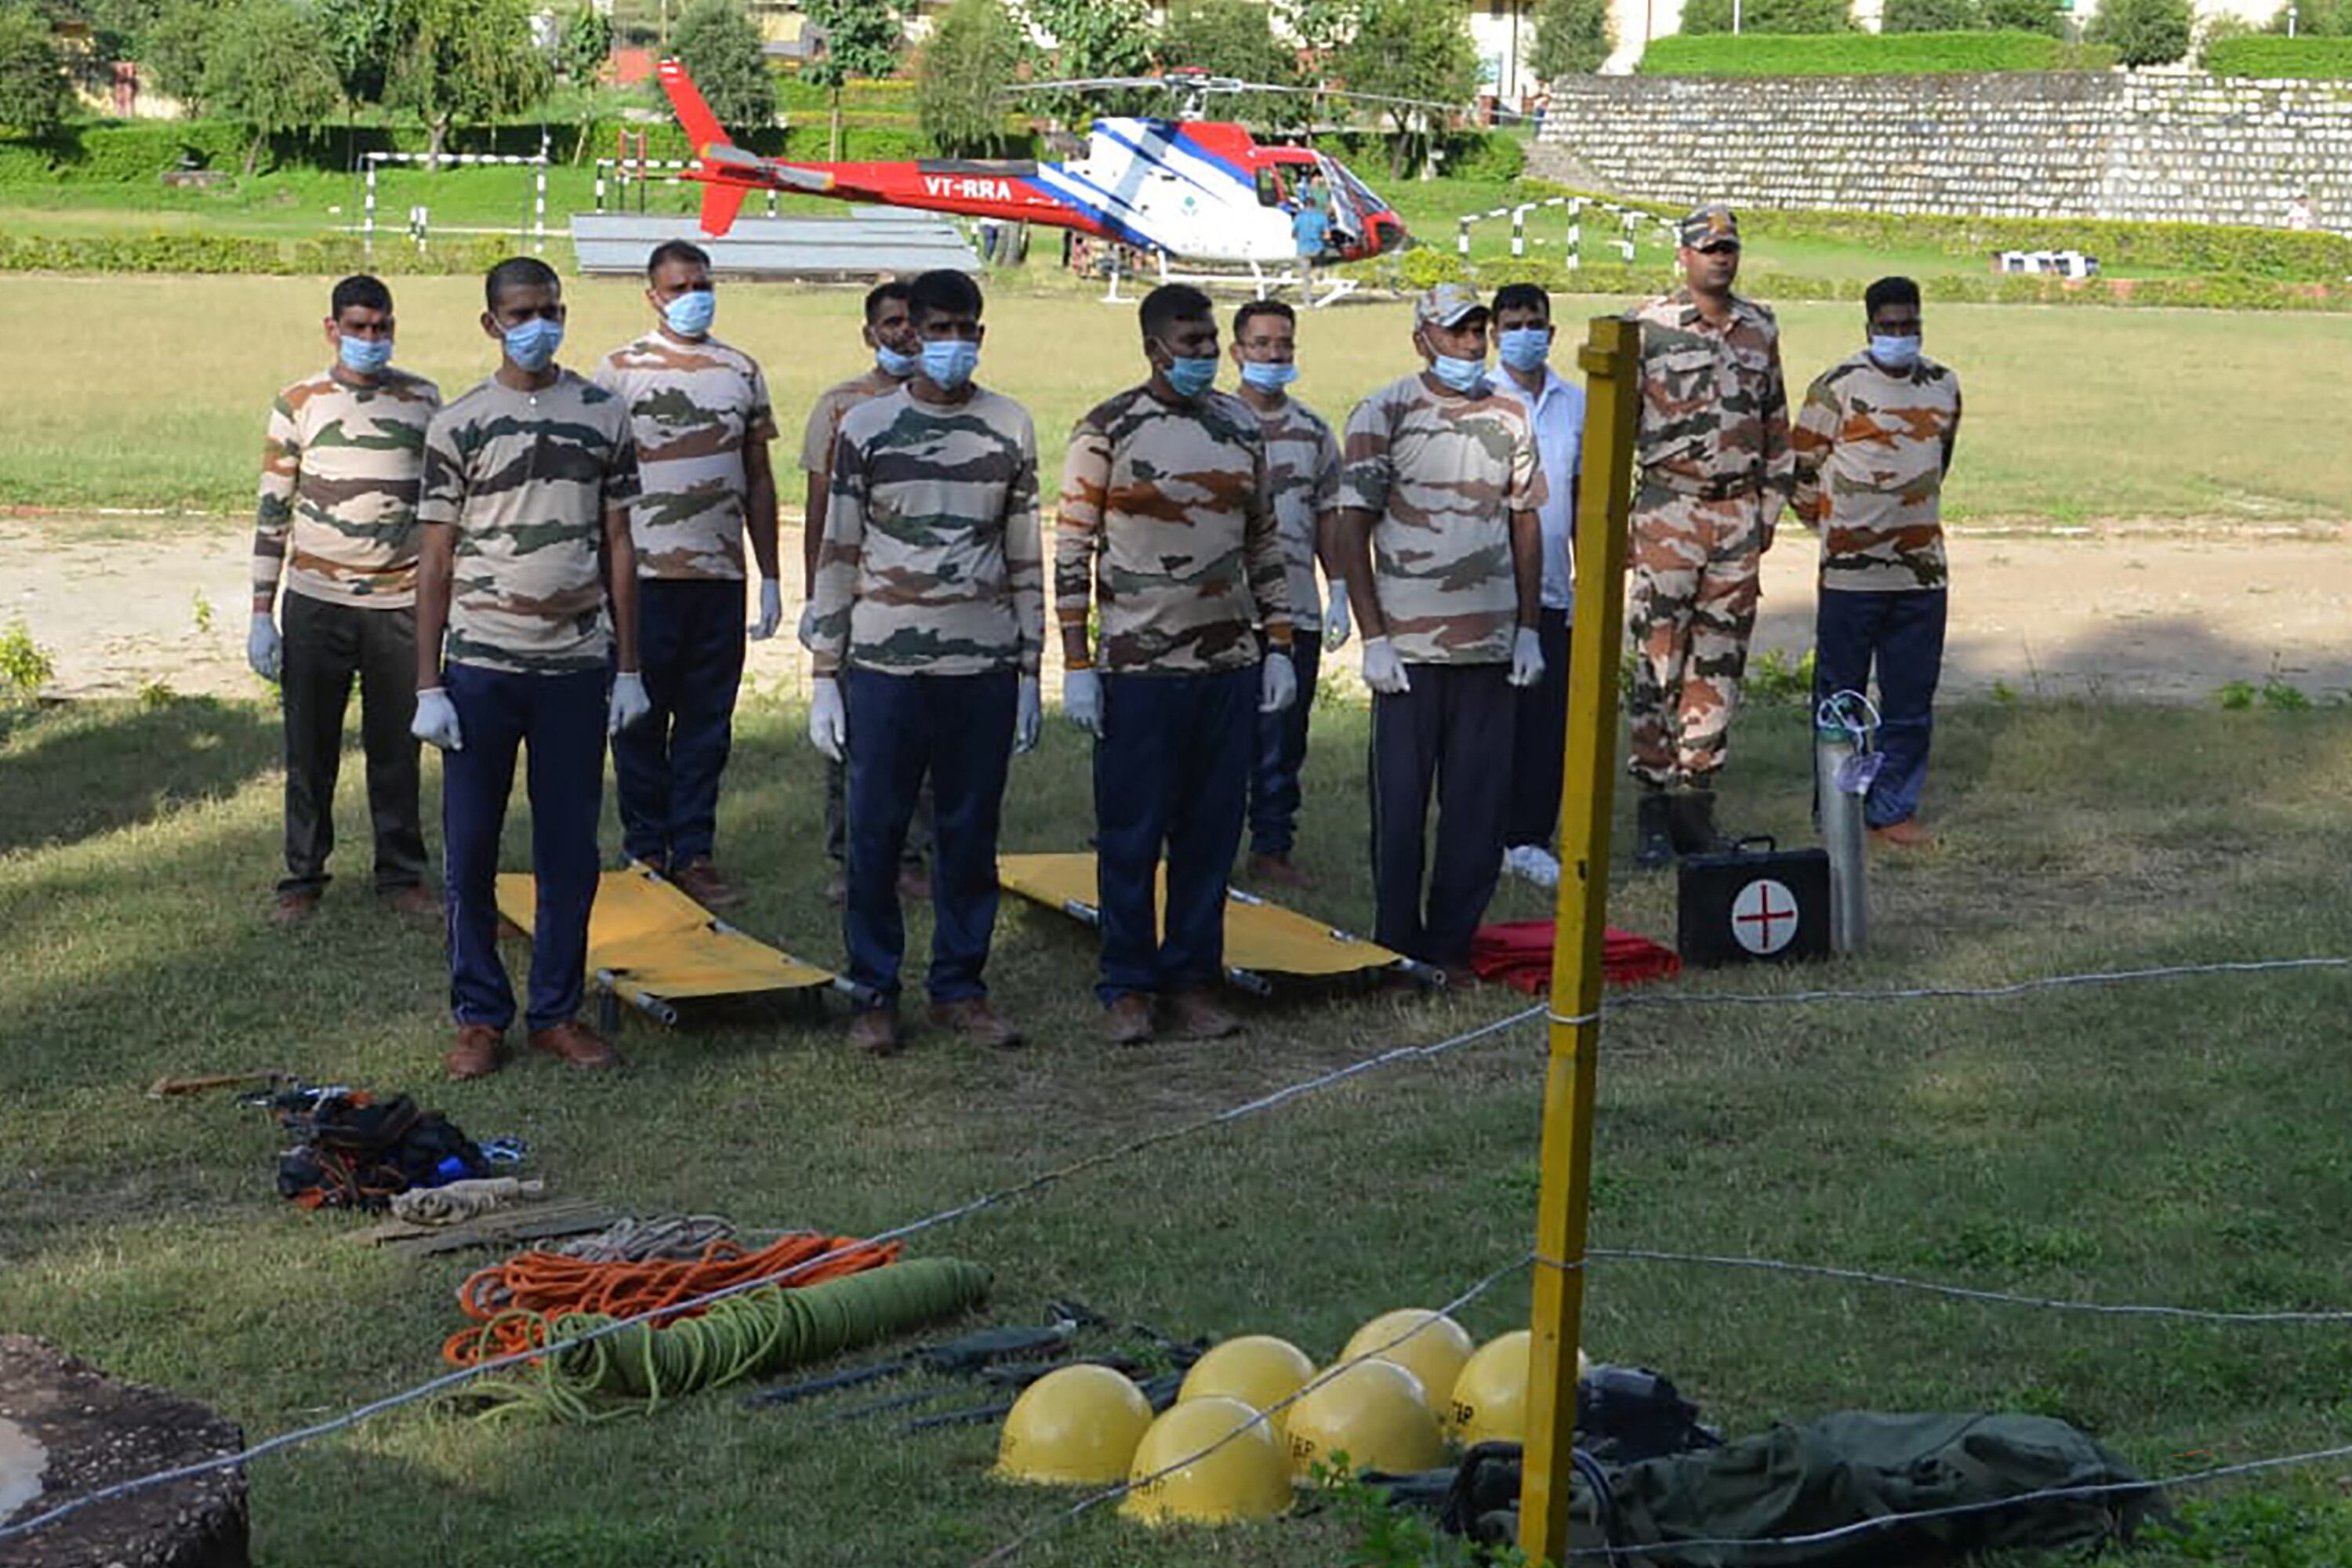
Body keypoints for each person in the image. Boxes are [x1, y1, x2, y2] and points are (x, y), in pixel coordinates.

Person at [411, 256, 648, 1081]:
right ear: (491, 323)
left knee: (569, 850)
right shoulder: (460, 422)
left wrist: (628, 665)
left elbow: (621, 541)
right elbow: (434, 557)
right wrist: (428, 682)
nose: (537, 323)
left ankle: (556, 1010)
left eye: (549, 309)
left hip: (576, 667)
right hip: (481, 664)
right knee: (470, 848)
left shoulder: (603, 412)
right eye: (521, 311)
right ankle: (479, 1014)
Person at [804, 270, 1043, 1056]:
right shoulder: (867, 425)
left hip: (980, 664)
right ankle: (875, 991)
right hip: (883, 664)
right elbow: (838, 549)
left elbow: (1022, 552)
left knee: (970, 835)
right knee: (875, 836)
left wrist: (1032, 668)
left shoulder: (1009, 424)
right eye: (931, 328)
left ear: (980, 333)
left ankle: (960, 986)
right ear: (904, 332)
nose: (945, 344)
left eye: (962, 329)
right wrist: (823, 673)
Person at [1056, 283, 1296, 1045]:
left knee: (1209, 833)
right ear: (1154, 347)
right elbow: (1072, 547)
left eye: (1208, 339)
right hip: (1139, 667)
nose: (1202, 354)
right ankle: (1127, 982)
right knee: (1131, 833)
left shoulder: (1238, 425)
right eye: (1188, 342)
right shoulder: (1108, 428)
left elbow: (1264, 539)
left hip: (1226, 663)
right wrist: (1076, 659)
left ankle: (1193, 976)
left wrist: (1281, 642)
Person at [1333, 284, 1546, 978]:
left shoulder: (1510, 412)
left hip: (1487, 645)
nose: (1469, 343)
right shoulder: (1384, 411)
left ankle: (1453, 942)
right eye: (1454, 331)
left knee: (1477, 810)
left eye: (1477, 331)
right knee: (1400, 807)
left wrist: (1528, 628)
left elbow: (1525, 520)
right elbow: (1351, 524)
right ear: (1422, 336)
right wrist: (1373, 636)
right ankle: (1397, 941)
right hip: (1411, 646)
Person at [249, 274, 441, 927]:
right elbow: (274, 510)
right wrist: (259, 613)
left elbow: (443, 508)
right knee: (310, 748)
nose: (370, 339)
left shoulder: (423, 400)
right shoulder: (299, 402)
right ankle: (301, 877)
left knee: (397, 746)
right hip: (316, 601)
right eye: (357, 327)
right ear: (332, 329)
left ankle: (401, 874)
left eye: (381, 327)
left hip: (399, 603)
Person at [593, 240, 779, 909]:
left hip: (718, 580)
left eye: (702, 283)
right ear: (652, 296)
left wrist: (770, 574)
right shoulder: (617, 371)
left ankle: (694, 850)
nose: (693, 295)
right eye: (678, 287)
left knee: (707, 722)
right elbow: (596, 482)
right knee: (637, 717)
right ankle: (646, 848)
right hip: (640, 579)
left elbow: (758, 476)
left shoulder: (740, 369)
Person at [1623, 202, 1793, 869]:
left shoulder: (1759, 328)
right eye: (1708, 248)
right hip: (1670, 511)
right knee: (1659, 662)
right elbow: (1618, 427)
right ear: (1683, 257)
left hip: (1735, 520)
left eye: (1729, 248)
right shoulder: (1651, 328)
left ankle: (1698, 804)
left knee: (1719, 665)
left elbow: (1775, 427)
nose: (1721, 257)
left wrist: (1767, 512)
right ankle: (1652, 807)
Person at [1791, 276, 1962, 850]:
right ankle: (1835, 805)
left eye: (1908, 324)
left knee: (1910, 697)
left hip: (1921, 574)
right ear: (1868, 329)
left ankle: (1893, 807)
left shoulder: (1943, 386)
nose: (1899, 335)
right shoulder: (1836, 388)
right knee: (1839, 697)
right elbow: (1800, 470)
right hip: (1849, 577)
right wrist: (1837, 528)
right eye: (1888, 326)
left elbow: (1940, 461)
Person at [800, 281, 933, 906]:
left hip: (930, 606)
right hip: (857, 602)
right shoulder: (842, 407)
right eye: (891, 323)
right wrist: (813, 602)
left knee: (925, 746)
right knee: (851, 739)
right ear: (868, 332)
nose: (904, 333)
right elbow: (822, 512)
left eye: (914, 322)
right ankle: (850, 859)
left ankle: (915, 858)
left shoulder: (948, 408)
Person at [1228, 298, 1347, 888]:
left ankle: (1272, 847)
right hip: (1224, 613)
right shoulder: (1214, 420)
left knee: (1282, 739)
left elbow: (1330, 515)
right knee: (1216, 740)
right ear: (1236, 352)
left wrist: (1341, 588)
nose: (1274, 355)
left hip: (1294, 610)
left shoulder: (1312, 431)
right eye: (1262, 344)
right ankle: (1203, 844)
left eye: (1284, 345)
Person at [1490, 281, 1586, 891]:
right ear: (1496, 334)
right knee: (1490, 723)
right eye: (1513, 324)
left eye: (1535, 324)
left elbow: (1581, 495)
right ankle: (1486, 833)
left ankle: (1530, 836)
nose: (1526, 334)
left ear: (1551, 332)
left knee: (1545, 724)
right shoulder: (1479, 398)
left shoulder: (1575, 402)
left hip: (1552, 589)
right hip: (1491, 594)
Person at [1290, 197, 1329, 294]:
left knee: (1305, 277)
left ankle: (1307, 301)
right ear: (1315, 205)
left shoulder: (1299, 218)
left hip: (1303, 250)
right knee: (1322, 256)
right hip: (1317, 248)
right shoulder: (1322, 217)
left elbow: (1294, 234)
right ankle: (1320, 271)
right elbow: (1327, 236)